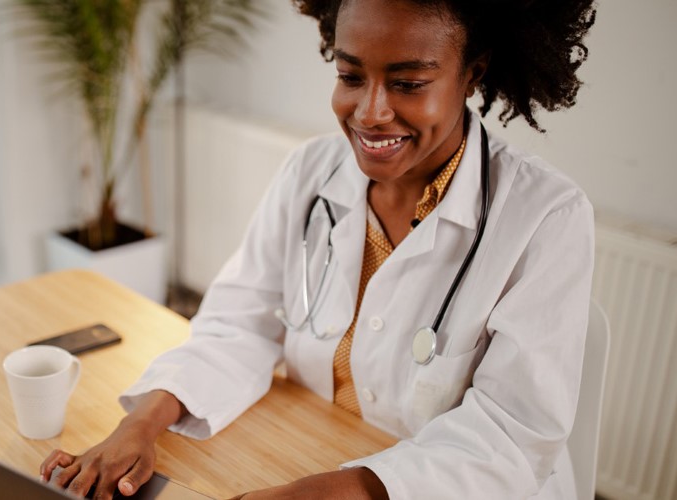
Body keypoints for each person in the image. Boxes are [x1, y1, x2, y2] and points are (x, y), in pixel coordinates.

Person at [41, 0, 598, 497]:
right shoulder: (310, 173)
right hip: (313, 454)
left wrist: (331, 492)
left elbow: (509, 434)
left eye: (407, 83)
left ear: (471, 73)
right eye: (351, 75)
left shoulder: (545, 216)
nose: (371, 111)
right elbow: (238, 326)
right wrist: (139, 425)